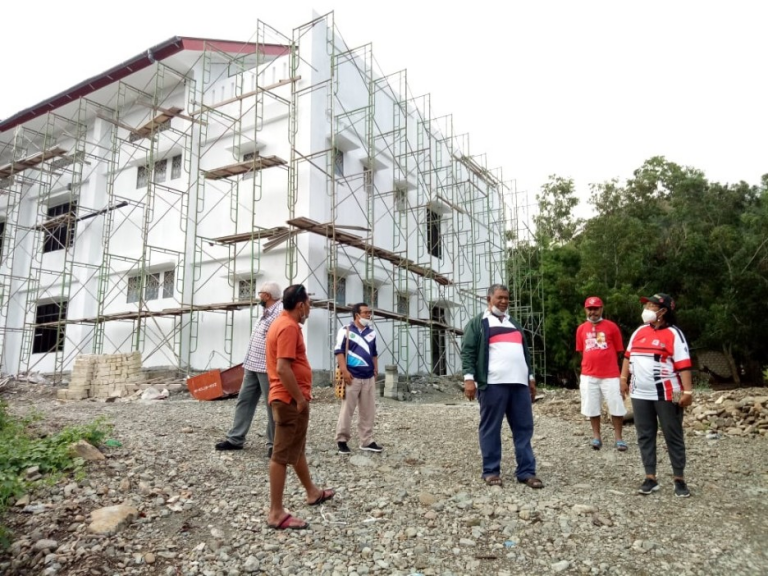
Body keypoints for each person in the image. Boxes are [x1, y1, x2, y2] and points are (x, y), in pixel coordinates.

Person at [461, 284, 543, 489]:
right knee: (491, 428)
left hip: (519, 385)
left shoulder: (514, 323)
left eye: (507, 298)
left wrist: (530, 378)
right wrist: (469, 379)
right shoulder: (478, 323)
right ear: (489, 299)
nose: (504, 301)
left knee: (524, 428)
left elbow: (525, 353)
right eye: (499, 298)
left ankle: (526, 472)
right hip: (493, 384)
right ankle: (491, 471)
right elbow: (468, 351)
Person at [266, 284, 334, 530]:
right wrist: (299, 399)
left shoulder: (281, 323)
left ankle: (312, 492)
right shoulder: (288, 327)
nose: (310, 309)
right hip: (288, 399)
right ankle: (275, 512)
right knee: (281, 455)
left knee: (296, 449)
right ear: (300, 305)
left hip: (288, 398)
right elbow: (283, 367)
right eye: (309, 304)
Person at [621, 293, 693, 498]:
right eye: (648, 305)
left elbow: (684, 365)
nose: (647, 310)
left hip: (671, 391)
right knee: (644, 434)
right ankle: (650, 477)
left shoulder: (674, 334)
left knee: (673, 433)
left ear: (663, 311)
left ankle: (679, 478)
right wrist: (623, 378)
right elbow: (628, 357)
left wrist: (687, 392)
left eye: (652, 306)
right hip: (640, 393)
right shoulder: (639, 332)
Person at [215, 282, 282, 457]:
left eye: (260, 294)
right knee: (244, 401)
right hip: (252, 364)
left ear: (267, 296)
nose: (258, 297)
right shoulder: (266, 312)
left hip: (268, 367)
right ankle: (235, 439)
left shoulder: (279, 313)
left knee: (272, 405)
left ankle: (274, 444)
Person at [575, 296, 627, 451]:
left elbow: (619, 350)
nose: (593, 312)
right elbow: (581, 351)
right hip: (589, 374)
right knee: (592, 407)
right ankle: (596, 436)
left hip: (610, 374)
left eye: (596, 308)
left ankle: (618, 437)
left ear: (601, 309)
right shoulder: (581, 329)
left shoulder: (611, 327)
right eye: (590, 309)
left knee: (616, 406)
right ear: (585, 310)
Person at [334, 303, 382, 454]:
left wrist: (375, 369)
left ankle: (367, 440)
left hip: (368, 377)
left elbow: (374, 353)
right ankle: (342, 440)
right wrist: (344, 371)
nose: (369, 315)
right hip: (352, 377)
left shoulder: (371, 333)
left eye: (369, 312)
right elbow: (339, 351)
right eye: (366, 312)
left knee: (368, 411)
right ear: (357, 315)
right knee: (347, 410)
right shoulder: (345, 330)